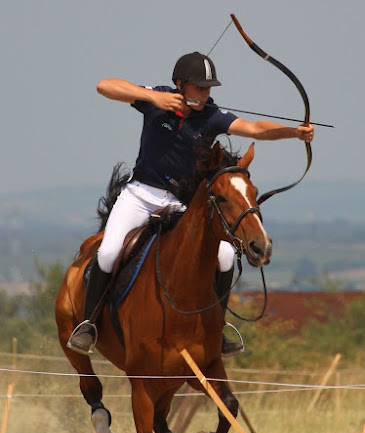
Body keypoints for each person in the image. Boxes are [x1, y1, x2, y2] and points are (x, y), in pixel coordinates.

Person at [67, 51, 314, 357]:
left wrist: (293, 132)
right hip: (140, 195)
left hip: (180, 203)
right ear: (180, 84)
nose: (205, 93)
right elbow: (105, 86)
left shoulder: (212, 116)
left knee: (224, 254)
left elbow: (253, 129)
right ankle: (89, 324)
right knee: (108, 251)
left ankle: (216, 328)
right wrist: (152, 98)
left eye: (209, 88)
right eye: (199, 87)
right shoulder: (157, 99)